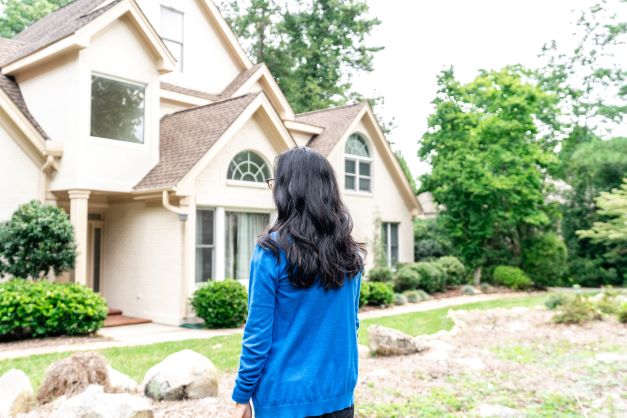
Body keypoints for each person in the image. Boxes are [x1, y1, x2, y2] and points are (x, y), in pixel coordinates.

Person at [231, 146, 365, 418]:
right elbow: (351, 324)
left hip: (283, 401)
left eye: (274, 184)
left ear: (287, 191)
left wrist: (241, 395)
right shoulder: (351, 254)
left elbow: (258, 335)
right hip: (339, 398)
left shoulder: (270, 251)